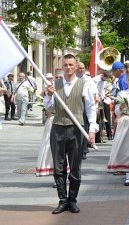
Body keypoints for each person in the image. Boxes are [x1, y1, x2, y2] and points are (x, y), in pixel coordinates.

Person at [44, 54, 98, 214]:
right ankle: (62, 200)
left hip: (76, 129)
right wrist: (48, 95)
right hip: (58, 128)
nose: (68, 68)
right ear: (62, 66)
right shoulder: (55, 84)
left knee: (75, 167)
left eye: (71, 65)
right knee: (59, 167)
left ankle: (72, 200)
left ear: (76, 66)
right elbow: (48, 108)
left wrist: (92, 130)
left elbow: (90, 108)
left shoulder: (84, 84)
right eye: (65, 65)